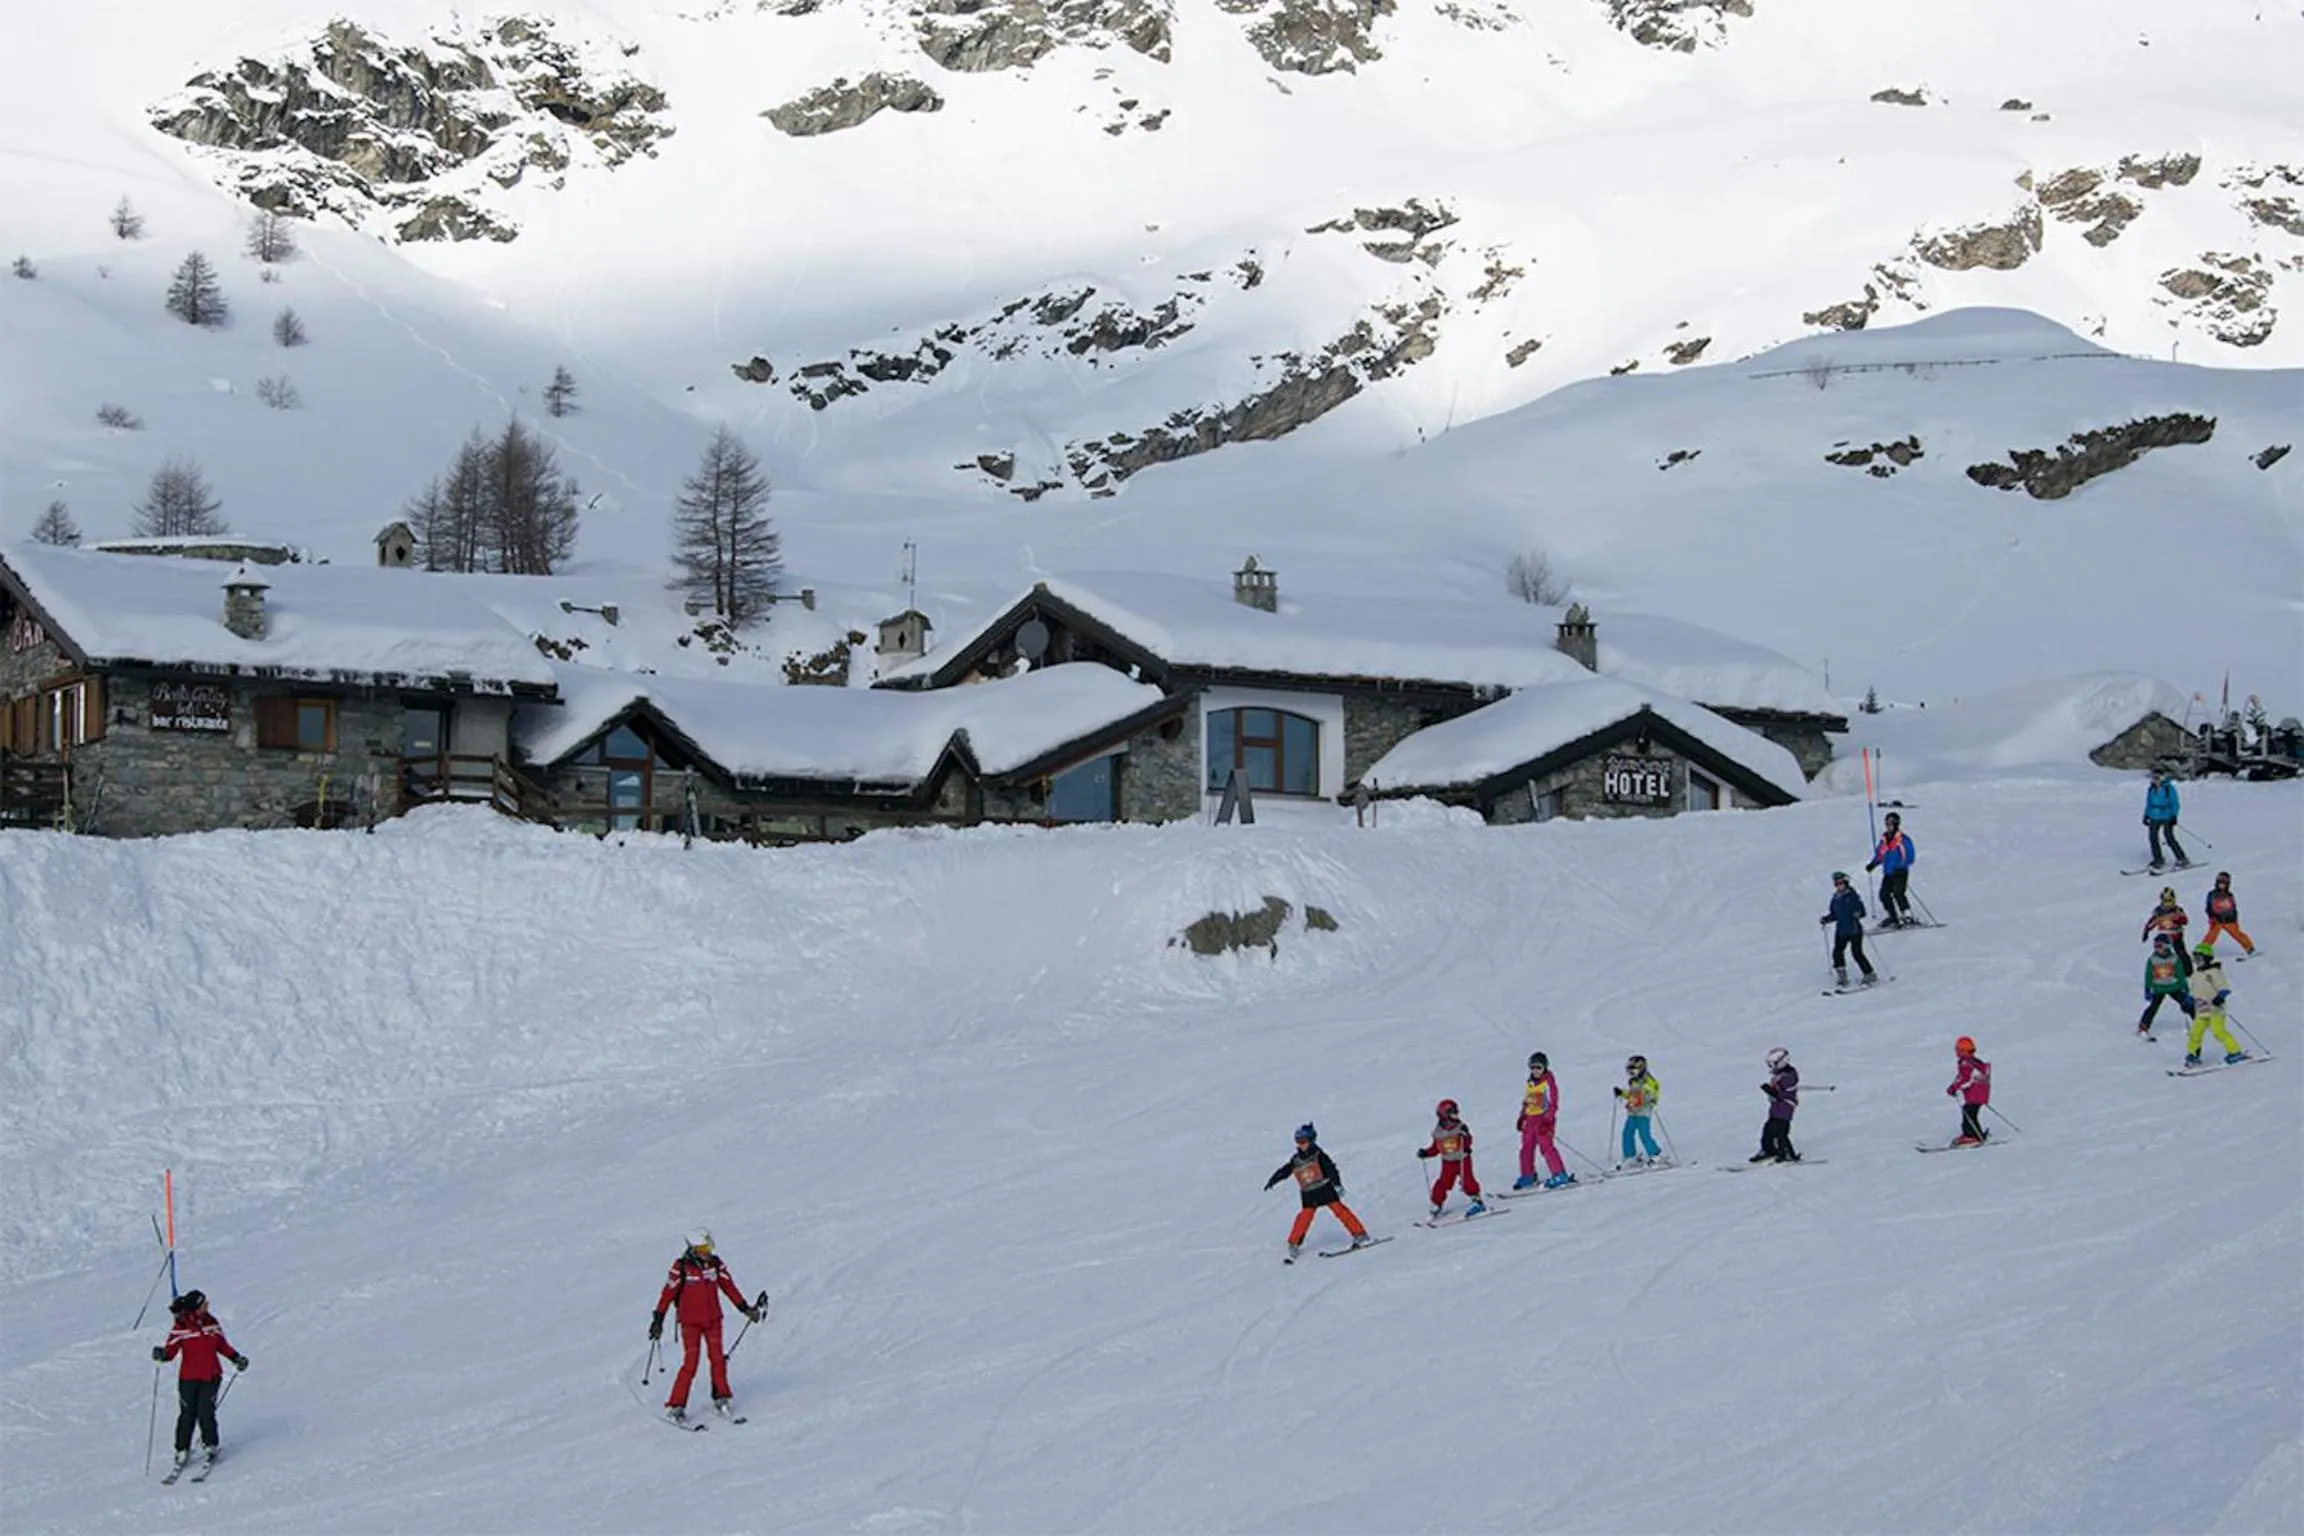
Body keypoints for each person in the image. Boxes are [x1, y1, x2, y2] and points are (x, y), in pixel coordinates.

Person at [650, 1230, 763, 1424]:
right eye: (703, 1249)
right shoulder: (681, 1268)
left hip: (713, 1320)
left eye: (709, 1248)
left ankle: (721, 1397)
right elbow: (667, 1294)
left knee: (718, 1359)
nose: (707, 1253)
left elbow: (729, 1287)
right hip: (690, 1323)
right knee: (690, 1364)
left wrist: (745, 1309)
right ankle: (676, 1406)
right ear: (693, 1249)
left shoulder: (716, 1265)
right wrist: (658, 1320)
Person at [152, 1289, 246, 1475]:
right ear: (195, 1307)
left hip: (211, 1376)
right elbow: (171, 1351)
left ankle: (210, 1444)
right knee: (187, 1414)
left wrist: (236, 1358)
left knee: (206, 1413)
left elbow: (222, 1345)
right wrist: (162, 1354)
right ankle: (182, 1449)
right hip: (188, 1378)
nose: (207, 1305)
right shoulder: (181, 1327)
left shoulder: (211, 1323)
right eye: (203, 1304)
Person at [1263, 1123, 1372, 1261]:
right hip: (1309, 1193)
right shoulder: (1296, 1159)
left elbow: (1331, 1169)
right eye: (1298, 1141)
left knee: (1341, 1211)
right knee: (1304, 1218)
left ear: (1311, 1140)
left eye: (1303, 1141)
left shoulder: (1319, 1155)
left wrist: (1337, 1184)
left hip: (1325, 1189)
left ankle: (1360, 1234)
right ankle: (1294, 1243)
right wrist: (1274, 1180)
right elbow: (1286, 1170)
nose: (1300, 1144)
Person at [1416, 1098, 1485, 1217]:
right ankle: (1437, 1203)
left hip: (1462, 1159)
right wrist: (1426, 1153)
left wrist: (1466, 1138)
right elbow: (1436, 1148)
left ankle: (1477, 1200)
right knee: (1443, 1182)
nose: (1456, 1115)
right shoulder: (1438, 1133)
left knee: (1467, 1180)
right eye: (1452, 1113)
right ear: (1444, 1115)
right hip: (1448, 1162)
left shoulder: (1460, 1127)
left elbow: (1468, 1141)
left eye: (1456, 1112)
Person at [2184, 944, 2249, 1067]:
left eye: (2200, 958)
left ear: (2207, 958)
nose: (2197, 961)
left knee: (2219, 1031)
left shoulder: (2214, 972)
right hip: (2201, 1010)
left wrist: (2220, 997)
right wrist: (2187, 1001)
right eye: (2195, 959)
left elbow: (2224, 988)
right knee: (2195, 1033)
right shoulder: (2196, 974)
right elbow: (2194, 991)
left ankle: (2235, 1052)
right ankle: (2193, 1054)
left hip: (2215, 1010)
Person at [1515, 1053, 1573, 1189]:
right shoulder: (1530, 1083)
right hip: (1531, 1119)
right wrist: (1522, 1116)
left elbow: (1553, 1103)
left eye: (1538, 1068)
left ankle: (1559, 1174)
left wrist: (1547, 1120)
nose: (1535, 1071)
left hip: (1543, 1118)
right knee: (1526, 1148)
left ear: (1544, 1067)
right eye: (1533, 1068)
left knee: (1546, 1146)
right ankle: (1528, 1175)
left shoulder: (1548, 1082)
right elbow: (1527, 1101)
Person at [1819, 872, 1878, 988]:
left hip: (1854, 930)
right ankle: (1842, 975)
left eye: (1840, 883)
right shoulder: (1835, 898)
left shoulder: (1852, 896)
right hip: (1841, 930)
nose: (1838, 886)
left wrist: (1858, 913)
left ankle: (1869, 973)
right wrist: (1826, 919)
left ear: (1846, 883)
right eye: (1836, 884)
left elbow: (1862, 911)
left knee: (1857, 953)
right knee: (1837, 952)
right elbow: (1835, 914)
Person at [2138, 932, 2196, 1039]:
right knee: (2153, 1007)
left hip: (2174, 987)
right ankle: (2143, 1025)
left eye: (2159, 946)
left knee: (2186, 1003)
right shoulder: (2153, 959)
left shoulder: (2174, 958)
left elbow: (2180, 973)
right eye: (2155, 946)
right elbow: (2148, 974)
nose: (2157, 948)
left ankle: (2198, 1020)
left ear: (2167, 946)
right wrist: (2148, 988)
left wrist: (2184, 986)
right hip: (2159, 988)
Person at [1866, 812, 1918, 927]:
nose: (1888, 826)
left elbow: (1910, 857)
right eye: (1887, 824)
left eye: (1891, 824)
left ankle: (1907, 915)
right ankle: (1893, 916)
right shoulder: (1884, 839)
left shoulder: (1903, 840)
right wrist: (1873, 864)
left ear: (1896, 824)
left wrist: (1900, 865)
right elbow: (1880, 854)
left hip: (1899, 872)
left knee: (1898, 893)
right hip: (1888, 872)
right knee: (1884, 894)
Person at [1753, 1047, 1801, 1163]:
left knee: (1781, 1132)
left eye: (1773, 1064)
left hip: (1785, 1108)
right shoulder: (1781, 1074)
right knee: (1768, 1129)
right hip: (1776, 1108)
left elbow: (1784, 1093)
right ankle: (1768, 1150)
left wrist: (1772, 1091)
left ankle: (1788, 1154)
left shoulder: (1789, 1076)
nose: (1771, 1067)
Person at [1615, 1054, 1662, 1165]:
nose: (1631, 1073)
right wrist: (1622, 1093)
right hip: (1633, 1112)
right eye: (1629, 1071)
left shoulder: (1648, 1080)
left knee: (1644, 1134)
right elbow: (1632, 1095)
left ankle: (1654, 1153)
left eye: (1633, 1070)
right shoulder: (1634, 1081)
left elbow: (1654, 1092)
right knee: (1627, 1133)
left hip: (1643, 1112)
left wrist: (1652, 1099)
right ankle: (1630, 1156)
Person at [1946, 1036, 1992, 1146]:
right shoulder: (1974, 1062)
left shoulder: (1966, 1063)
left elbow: (1965, 1078)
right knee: (1971, 1114)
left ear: (1963, 1051)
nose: (1956, 1052)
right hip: (1980, 1094)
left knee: (1968, 1114)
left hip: (1974, 1095)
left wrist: (1954, 1088)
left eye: (1957, 1050)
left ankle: (1971, 1136)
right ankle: (1976, 1135)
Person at [2200, 872, 2257, 957]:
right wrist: (2212, 916)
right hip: (2217, 919)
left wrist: (2234, 917)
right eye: (2220, 883)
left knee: (2237, 934)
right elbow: (2208, 907)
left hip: (2229, 919)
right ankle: (2202, 950)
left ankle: (2249, 948)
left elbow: (2233, 907)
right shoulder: (2212, 894)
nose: (2222, 886)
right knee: (2212, 934)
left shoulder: (2229, 895)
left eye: (2224, 884)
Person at [2143, 768, 2189, 871]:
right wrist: (2146, 815)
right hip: (2154, 815)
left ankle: (2182, 858)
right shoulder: (2151, 789)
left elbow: (2175, 803)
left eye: (2157, 778)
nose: (2155, 780)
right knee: (2153, 837)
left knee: (2169, 836)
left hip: (2166, 815)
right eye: (2153, 778)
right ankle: (2158, 859)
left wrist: (2174, 816)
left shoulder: (2169, 788)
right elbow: (2149, 803)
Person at [2140, 887, 2189, 952]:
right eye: (2165, 901)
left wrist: (2177, 919)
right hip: (2163, 936)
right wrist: (2146, 931)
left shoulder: (2178, 910)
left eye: (2169, 900)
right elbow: (2151, 922)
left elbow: (2185, 921)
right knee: (2161, 947)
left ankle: (2183, 958)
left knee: (2181, 952)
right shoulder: (2158, 911)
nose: (2167, 904)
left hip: (2176, 936)